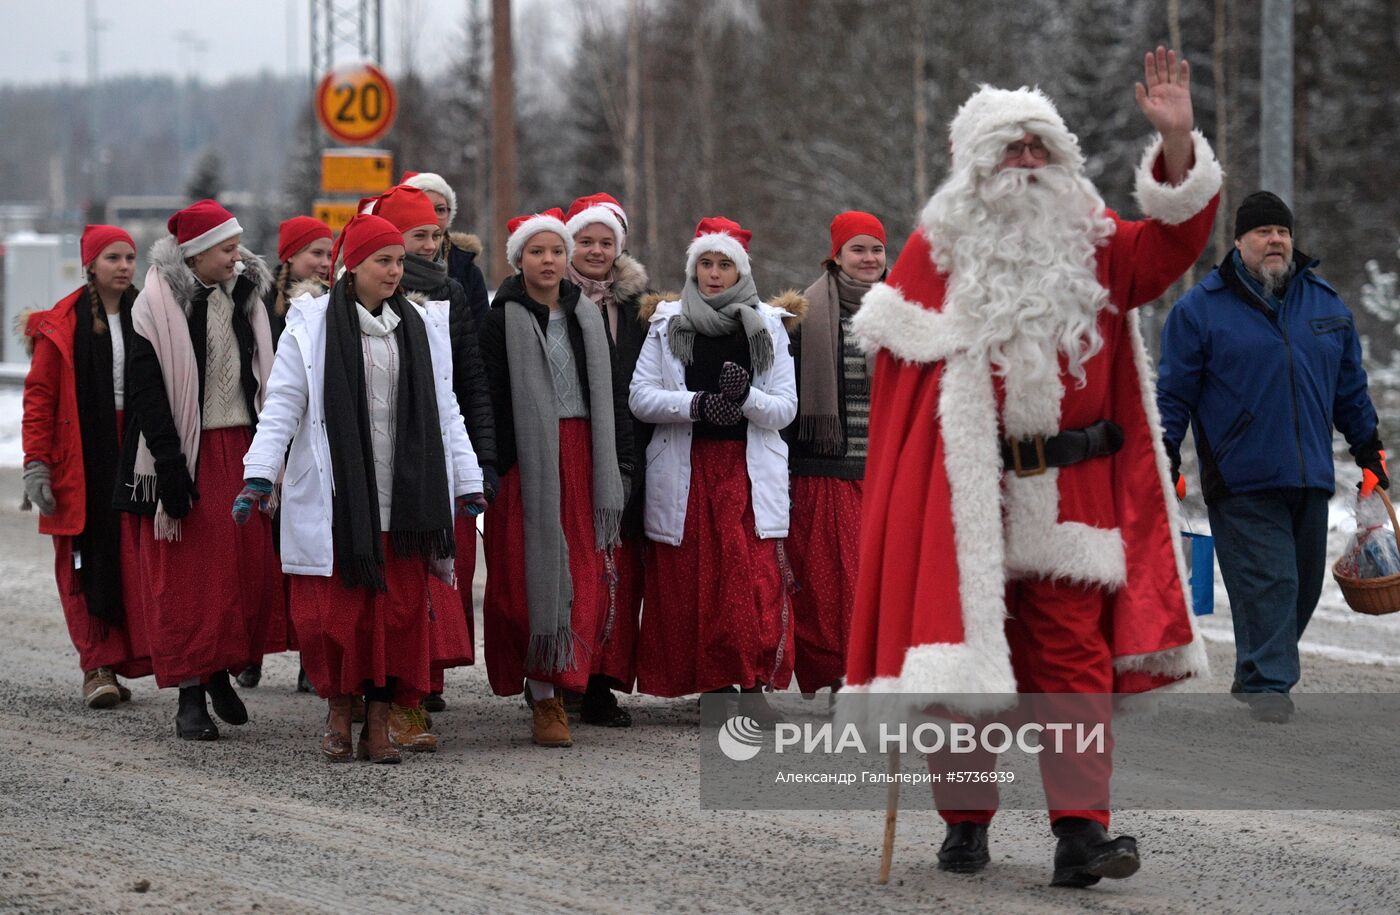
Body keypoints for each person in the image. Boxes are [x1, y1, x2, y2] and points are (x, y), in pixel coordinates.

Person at [841, 48, 1221, 886]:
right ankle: (966, 820)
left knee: (1072, 664)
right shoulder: (933, 251)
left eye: (1038, 148)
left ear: (1061, 160)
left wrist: (1180, 143)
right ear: (975, 162)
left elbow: (1175, 241)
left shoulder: (1095, 243)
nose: (1025, 163)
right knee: (963, 666)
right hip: (966, 497)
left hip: (1071, 495)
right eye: (1009, 149)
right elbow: (904, 394)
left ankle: (1082, 831)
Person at [238, 213, 486, 763]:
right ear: (354, 265)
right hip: (339, 501)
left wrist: (467, 480)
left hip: (404, 502)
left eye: (400, 261)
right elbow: (282, 406)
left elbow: (446, 412)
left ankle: (379, 720)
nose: (396, 271)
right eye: (384, 261)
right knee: (334, 617)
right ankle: (337, 711)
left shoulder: (419, 326)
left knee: (396, 616)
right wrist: (259, 473)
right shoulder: (312, 326)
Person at [1157, 191, 1385, 723]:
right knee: (1272, 582)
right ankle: (1268, 688)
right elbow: (1173, 396)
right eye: (1263, 232)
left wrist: (1369, 450)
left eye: (1282, 231)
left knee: (1303, 586)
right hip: (1240, 477)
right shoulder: (1200, 310)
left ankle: (1258, 669)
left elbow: (1349, 389)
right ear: (1239, 242)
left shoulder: (1324, 304)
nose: (1276, 240)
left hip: (1308, 474)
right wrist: (1163, 454)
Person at [118, 199, 282, 741]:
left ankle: (219, 671)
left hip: (242, 448)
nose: (238, 259)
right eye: (227, 250)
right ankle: (191, 693)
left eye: (238, 249)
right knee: (192, 580)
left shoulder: (248, 298)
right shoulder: (153, 307)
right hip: (186, 454)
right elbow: (146, 394)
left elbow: (268, 376)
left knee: (244, 574)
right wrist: (170, 468)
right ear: (195, 254)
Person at [629, 217, 801, 725]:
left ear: (741, 270)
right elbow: (641, 398)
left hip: (746, 474)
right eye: (705, 263)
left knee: (748, 578)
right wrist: (697, 403)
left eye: (725, 264)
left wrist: (744, 396)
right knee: (696, 578)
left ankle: (750, 685)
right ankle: (714, 684)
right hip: (689, 468)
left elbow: (785, 407)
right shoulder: (667, 324)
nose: (714, 273)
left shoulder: (767, 326)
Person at [479, 208, 633, 748]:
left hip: (584, 459)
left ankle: (560, 692)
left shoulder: (587, 319)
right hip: (528, 466)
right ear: (518, 259)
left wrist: (620, 463)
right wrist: (491, 466)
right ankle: (540, 687)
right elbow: (488, 398)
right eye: (537, 251)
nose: (549, 260)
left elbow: (613, 396)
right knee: (526, 585)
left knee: (584, 584)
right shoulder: (501, 318)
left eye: (557, 252)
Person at [370, 182, 496, 745]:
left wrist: (481, 460)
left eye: (432, 235)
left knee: (433, 582)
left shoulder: (450, 295)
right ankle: (366, 695)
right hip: (377, 464)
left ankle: (414, 698)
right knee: (384, 586)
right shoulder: (352, 302)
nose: (425, 246)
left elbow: (469, 385)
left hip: (439, 462)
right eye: (414, 235)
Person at [21, 225, 153, 707]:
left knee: (137, 558)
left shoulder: (152, 314)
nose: (123, 266)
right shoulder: (61, 324)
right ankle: (97, 667)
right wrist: (36, 463)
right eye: (113, 258)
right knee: (83, 560)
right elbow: (40, 399)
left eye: (130, 258)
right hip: (81, 453)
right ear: (90, 265)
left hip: (138, 447)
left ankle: (137, 658)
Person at [786, 211, 886, 700]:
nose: (868, 259)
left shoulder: (903, 311)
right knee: (828, 588)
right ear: (836, 255)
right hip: (823, 469)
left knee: (879, 584)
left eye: (876, 250)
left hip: (886, 472)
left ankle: (875, 678)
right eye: (858, 250)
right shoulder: (804, 312)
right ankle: (839, 680)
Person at [564, 191, 653, 727]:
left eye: (605, 242)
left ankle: (601, 680)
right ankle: (561, 674)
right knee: (574, 565)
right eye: (586, 241)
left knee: (617, 567)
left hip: (625, 447)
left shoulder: (639, 309)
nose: (596, 251)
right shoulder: (548, 299)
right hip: (569, 445)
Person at [237, 214, 333, 690]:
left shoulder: (330, 309)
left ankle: (308, 660)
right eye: (314, 252)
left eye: (329, 252)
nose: (323, 261)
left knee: (305, 555)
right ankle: (252, 650)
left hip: (310, 445)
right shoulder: (260, 308)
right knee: (263, 559)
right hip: (268, 439)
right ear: (289, 258)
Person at [401, 171, 490, 328]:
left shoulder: (466, 269)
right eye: (424, 207)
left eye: (440, 209)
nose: (432, 216)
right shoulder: (386, 267)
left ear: (450, 214)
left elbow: (481, 335)